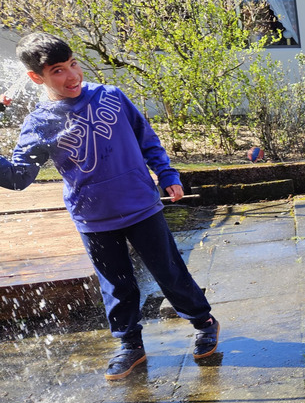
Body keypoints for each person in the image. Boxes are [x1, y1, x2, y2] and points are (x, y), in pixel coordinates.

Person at [0, 32, 219, 380]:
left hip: (140, 204)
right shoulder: (39, 124)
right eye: (58, 70)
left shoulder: (110, 96)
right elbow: (17, 178)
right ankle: (130, 344)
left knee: (168, 271)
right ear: (36, 78)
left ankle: (203, 322)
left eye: (73, 63)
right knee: (116, 285)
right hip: (93, 216)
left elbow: (146, 137)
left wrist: (166, 173)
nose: (72, 75)